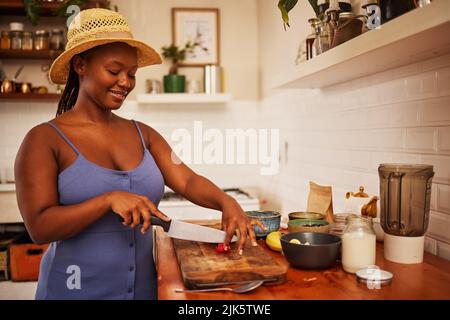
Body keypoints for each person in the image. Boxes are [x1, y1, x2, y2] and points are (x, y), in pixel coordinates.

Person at [14, 8, 262, 300]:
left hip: (143, 292)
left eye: (131, 74)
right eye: (114, 70)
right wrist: (108, 200)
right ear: (80, 65)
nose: (126, 82)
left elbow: (187, 181)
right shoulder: (43, 140)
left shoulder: (144, 135)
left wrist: (227, 202)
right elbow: (39, 227)